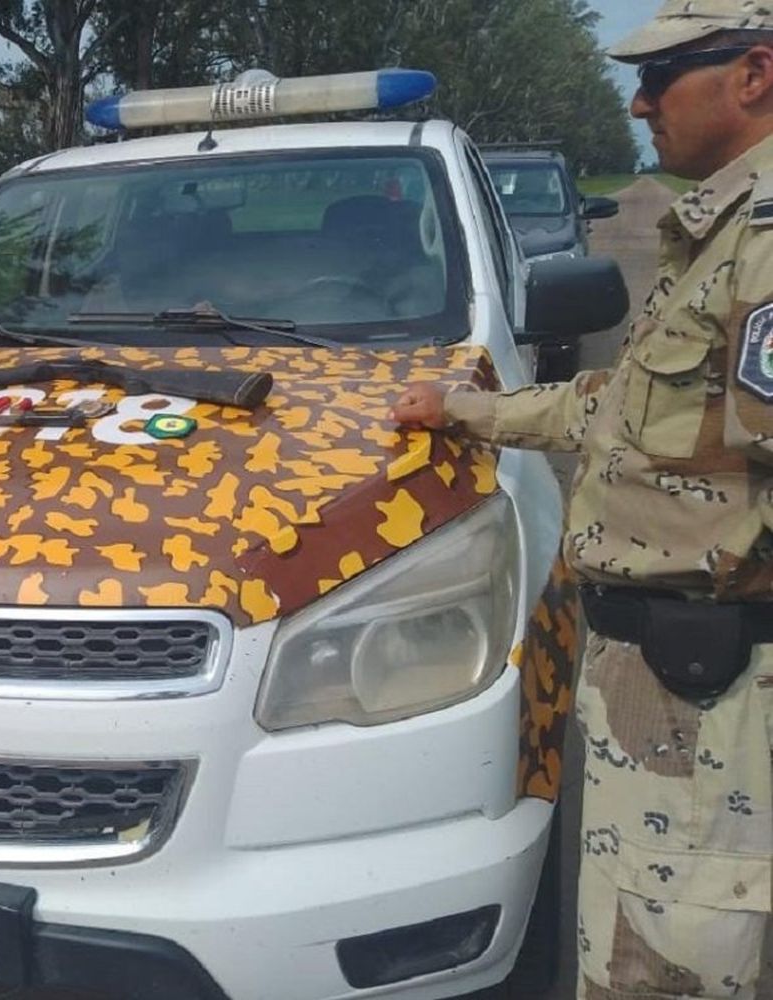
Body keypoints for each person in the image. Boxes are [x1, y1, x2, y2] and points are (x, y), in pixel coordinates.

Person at [394, 4, 773, 996]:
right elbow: (623, 408)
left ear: (754, 74)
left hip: (714, 684)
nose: (641, 101)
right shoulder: (726, 228)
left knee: (674, 967)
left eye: (665, 76)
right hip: (663, 675)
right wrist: (464, 409)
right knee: (636, 946)